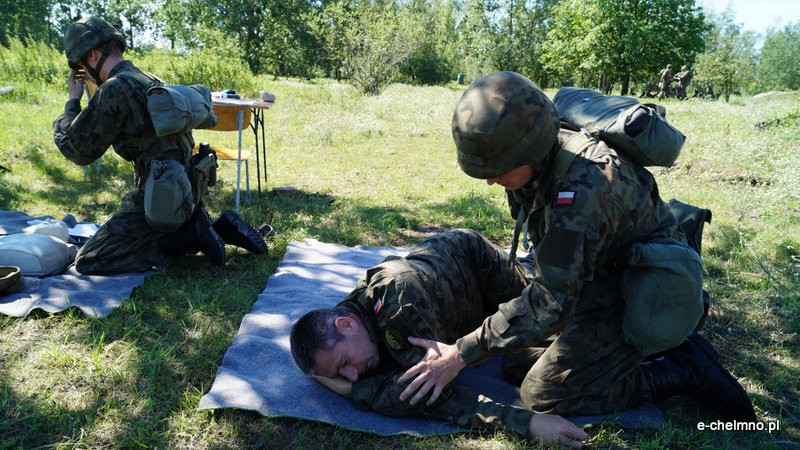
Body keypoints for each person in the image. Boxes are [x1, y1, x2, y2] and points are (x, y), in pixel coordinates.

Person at [395, 71, 756, 422]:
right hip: (596, 277)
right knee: (518, 362)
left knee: (543, 395)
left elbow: (552, 300)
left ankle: (682, 367)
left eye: (498, 169)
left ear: (530, 150)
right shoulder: (532, 163)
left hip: (636, 291)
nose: (491, 180)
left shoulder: (582, 191)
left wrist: (460, 353)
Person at [290, 229, 588, 448]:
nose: (351, 376)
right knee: (521, 361)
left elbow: (427, 396)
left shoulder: (397, 312)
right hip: (451, 301)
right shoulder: (348, 324)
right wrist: (342, 382)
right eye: (339, 375)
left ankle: (561, 260)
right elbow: (397, 390)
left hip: (477, 269)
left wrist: (529, 423)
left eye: (344, 363)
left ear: (346, 325)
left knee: (560, 311)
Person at [53, 17, 267, 274]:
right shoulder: (148, 78)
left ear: (93, 54)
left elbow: (77, 150)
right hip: (187, 189)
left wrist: (72, 102)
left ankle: (192, 235)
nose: (85, 74)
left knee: (91, 259)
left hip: (159, 199)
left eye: (81, 67)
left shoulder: (115, 89)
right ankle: (214, 228)